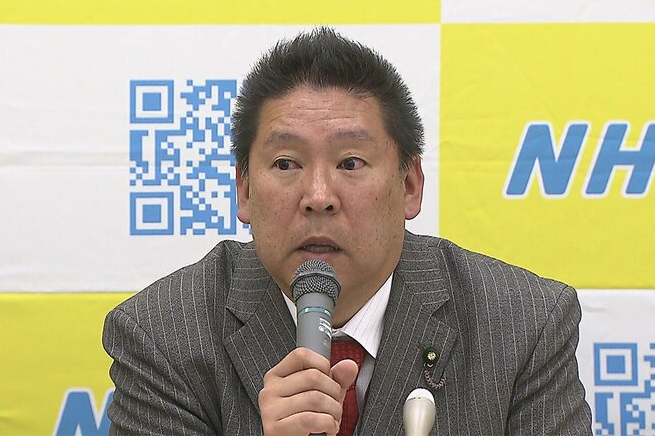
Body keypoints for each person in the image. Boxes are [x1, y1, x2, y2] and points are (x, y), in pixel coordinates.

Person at [103, 27, 592, 435]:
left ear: (409, 186)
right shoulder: (163, 336)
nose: (318, 195)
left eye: (350, 162)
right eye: (286, 163)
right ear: (244, 192)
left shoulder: (522, 325)